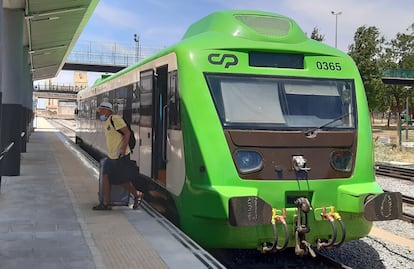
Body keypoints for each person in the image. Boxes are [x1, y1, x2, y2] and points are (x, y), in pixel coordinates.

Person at [92, 101, 143, 210]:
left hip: (120, 156)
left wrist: (123, 148)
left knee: (122, 181)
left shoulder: (115, 119)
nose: (99, 112)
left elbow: (127, 133)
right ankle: (106, 203)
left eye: (101, 110)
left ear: (107, 111)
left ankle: (137, 194)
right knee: (105, 177)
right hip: (111, 156)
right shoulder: (106, 122)